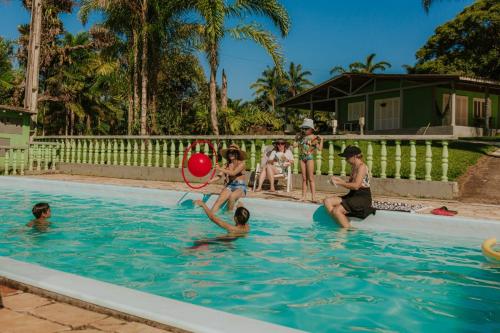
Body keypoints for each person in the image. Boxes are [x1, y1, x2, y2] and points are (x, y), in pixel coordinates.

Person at [323, 146, 375, 228]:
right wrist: (338, 180)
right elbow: (350, 184)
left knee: (337, 210)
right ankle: (343, 223)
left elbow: (356, 186)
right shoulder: (354, 167)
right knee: (327, 201)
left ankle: (349, 230)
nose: (346, 159)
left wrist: (340, 183)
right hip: (352, 195)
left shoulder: (362, 167)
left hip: (362, 198)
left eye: (347, 157)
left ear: (354, 156)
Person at [208, 144, 247, 213]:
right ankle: (210, 216)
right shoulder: (226, 165)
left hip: (240, 187)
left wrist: (220, 168)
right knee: (218, 201)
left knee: (232, 197)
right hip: (230, 185)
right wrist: (211, 180)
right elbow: (219, 176)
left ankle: (228, 216)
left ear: (237, 154)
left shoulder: (242, 164)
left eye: (233, 152)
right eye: (229, 152)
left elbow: (233, 173)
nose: (231, 154)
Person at [295, 118, 323, 202]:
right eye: (303, 128)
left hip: (309, 158)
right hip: (302, 158)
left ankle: (313, 197)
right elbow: (295, 145)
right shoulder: (301, 137)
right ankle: (303, 196)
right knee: (304, 178)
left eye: (306, 128)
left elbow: (320, 149)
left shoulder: (313, 137)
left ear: (311, 129)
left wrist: (321, 140)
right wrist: (296, 138)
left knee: (311, 178)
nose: (304, 130)